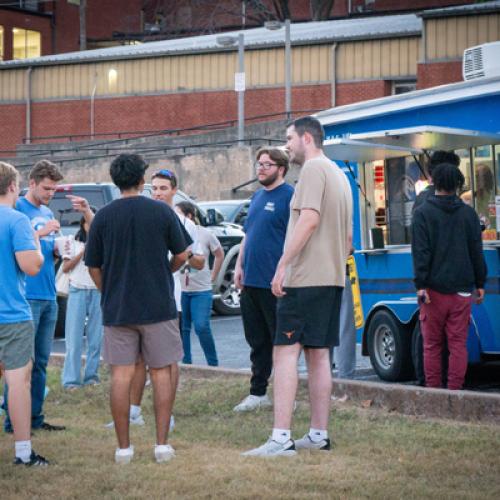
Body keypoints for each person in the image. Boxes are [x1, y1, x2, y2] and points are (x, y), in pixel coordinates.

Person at [244, 116, 352, 457]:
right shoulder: (339, 174)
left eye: (289, 138)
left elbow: (308, 219)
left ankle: (280, 438)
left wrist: (283, 265)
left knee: (285, 353)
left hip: (305, 280)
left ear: (306, 138)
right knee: (319, 356)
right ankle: (318, 435)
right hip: (331, 279)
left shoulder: (313, 171)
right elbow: (347, 239)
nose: (286, 145)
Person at [85, 154, 191, 464]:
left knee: (120, 375)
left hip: (118, 308)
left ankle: (123, 449)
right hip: (158, 305)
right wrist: (165, 270)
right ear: (142, 181)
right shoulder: (160, 211)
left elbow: (93, 266)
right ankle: (161, 446)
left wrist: (110, 290)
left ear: (116, 181)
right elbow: (183, 254)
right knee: (161, 374)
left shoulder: (102, 216)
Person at [106, 168, 202, 429]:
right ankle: (134, 411)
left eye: (163, 188)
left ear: (174, 190)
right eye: (154, 188)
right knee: (135, 360)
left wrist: (173, 264)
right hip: (138, 299)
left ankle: (166, 414)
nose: (158, 193)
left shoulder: (185, 222)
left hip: (169, 298)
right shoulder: (144, 213)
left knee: (167, 361)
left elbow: (198, 259)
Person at [411, 162, 487, 390]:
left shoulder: (422, 213)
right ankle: (455, 391)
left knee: (432, 345)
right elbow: (476, 250)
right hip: (462, 290)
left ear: (434, 183)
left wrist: (421, 284)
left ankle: (434, 393)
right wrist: (480, 283)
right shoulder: (469, 214)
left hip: (432, 290)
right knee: (458, 344)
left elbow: (421, 252)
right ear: (457, 185)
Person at [3, 159, 65, 434]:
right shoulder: (16, 210)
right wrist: (41, 233)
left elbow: (41, 250)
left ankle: (35, 417)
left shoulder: (47, 210)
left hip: (49, 292)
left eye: (54, 189)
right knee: (17, 366)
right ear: (29, 184)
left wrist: (55, 249)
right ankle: (12, 423)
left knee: (40, 362)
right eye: (46, 188)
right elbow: (23, 250)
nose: (50, 193)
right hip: (24, 296)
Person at [233, 147, 294, 412]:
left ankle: (285, 395)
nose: (261, 169)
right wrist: (238, 265)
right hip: (251, 281)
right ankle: (258, 393)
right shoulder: (257, 196)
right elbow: (248, 235)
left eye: (267, 165)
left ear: (281, 169)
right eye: (259, 164)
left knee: (280, 342)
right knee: (256, 340)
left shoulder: (290, 197)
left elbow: (296, 238)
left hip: (276, 283)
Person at [0, 161, 48, 465]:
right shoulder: (17, 220)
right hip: (11, 315)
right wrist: (37, 243)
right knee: (18, 381)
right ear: (13, 186)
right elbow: (32, 266)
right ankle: (23, 452)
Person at [176, 201, 224, 366]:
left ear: (189, 216)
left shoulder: (204, 234)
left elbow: (219, 254)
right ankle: (186, 362)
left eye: (179, 214)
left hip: (201, 290)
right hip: (182, 290)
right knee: (184, 328)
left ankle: (213, 364)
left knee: (202, 326)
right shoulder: (175, 234)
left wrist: (214, 275)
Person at [61, 200, 103, 389]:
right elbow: (66, 267)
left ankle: (91, 377)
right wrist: (84, 251)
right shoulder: (72, 242)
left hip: (97, 291)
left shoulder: (104, 243)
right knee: (74, 338)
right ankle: (71, 380)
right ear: (83, 224)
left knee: (96, 338)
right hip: (77, 289)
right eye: (87, 221)